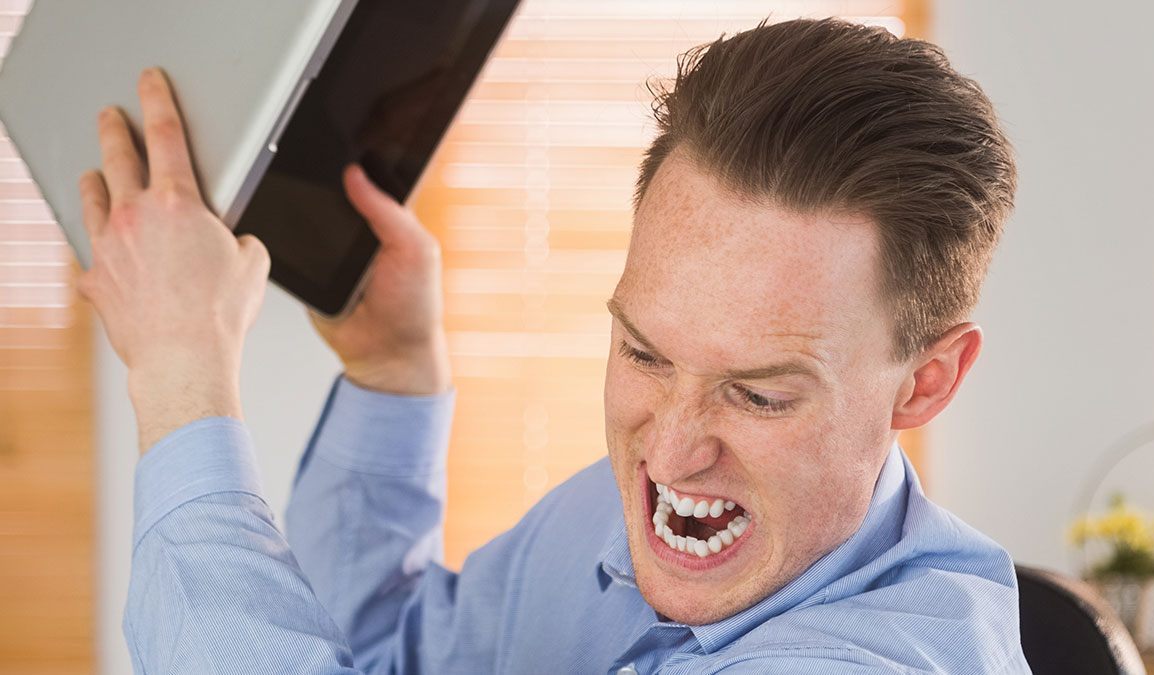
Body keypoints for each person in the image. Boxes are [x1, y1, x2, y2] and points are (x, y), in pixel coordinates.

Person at [78, 17, 1029, 674]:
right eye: (646, 354)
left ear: (927, 382)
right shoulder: (620, 519)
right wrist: (390, 378)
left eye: (760, 395)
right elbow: (376, 656)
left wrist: (180, 379)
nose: (671, 449)